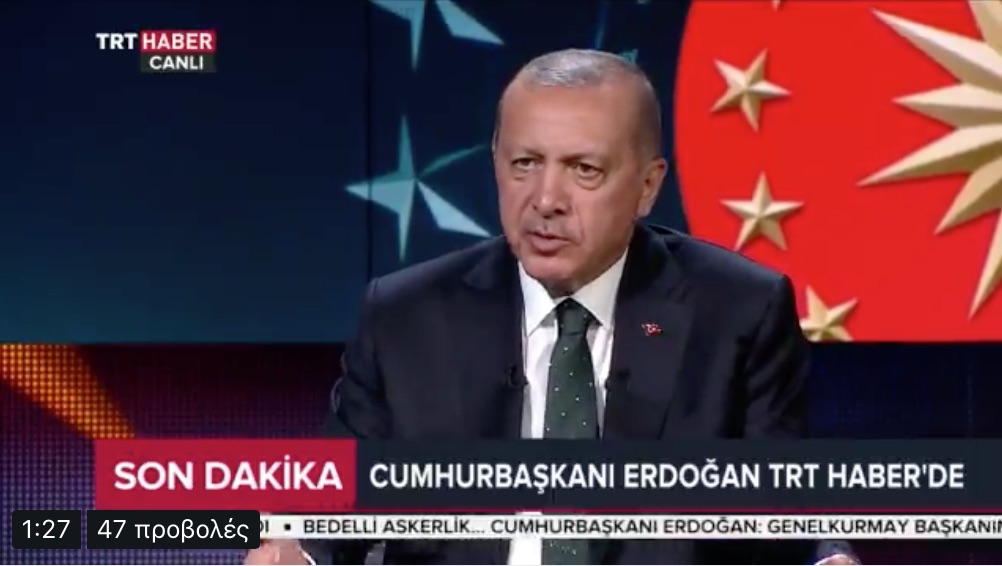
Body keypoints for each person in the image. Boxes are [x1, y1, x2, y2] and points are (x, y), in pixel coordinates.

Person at [247, 49, 857, 565]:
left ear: (647, 186)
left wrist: (827, 557)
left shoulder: (738, 311)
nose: (545, 199)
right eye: (525, 164)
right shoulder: (407, 316)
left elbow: (785, 509)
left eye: (583, 170)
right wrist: (294, 551)